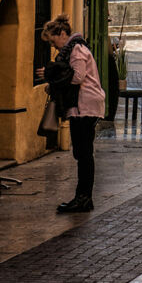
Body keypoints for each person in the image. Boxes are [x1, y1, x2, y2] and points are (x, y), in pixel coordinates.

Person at [36, 13, 105, 214]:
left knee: (84, 154)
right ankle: (83, 197)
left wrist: (53, 76)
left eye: (53, 40)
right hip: (82, 105)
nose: (53, 46)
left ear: (62, 33)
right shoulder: (72, 50)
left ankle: (83, 198)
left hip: (85, 105)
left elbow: (77, 77)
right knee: (82, 153)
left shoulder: (76, 49)